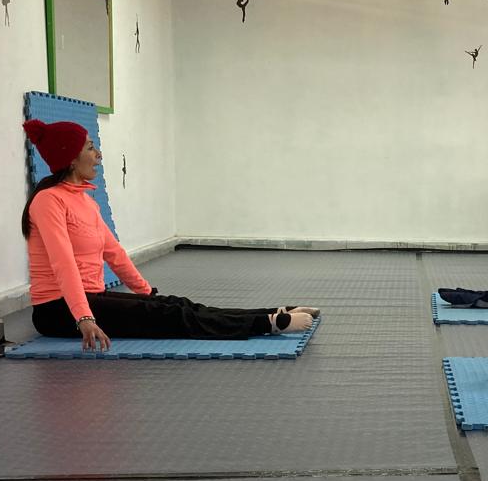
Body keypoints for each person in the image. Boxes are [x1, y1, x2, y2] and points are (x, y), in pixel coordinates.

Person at [21, 119, 317, 351]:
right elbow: (63, 264)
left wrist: (147, 293)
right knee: (171, 317)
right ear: (71, 158)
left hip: (90, 298)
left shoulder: (84, 200)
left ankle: (273, 312)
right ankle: (266, 325)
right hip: (58, 311)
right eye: (89, 148)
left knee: (176, 305)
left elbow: (114, 254)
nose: (98, 154)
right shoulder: (48, 201)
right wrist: (84, 318)